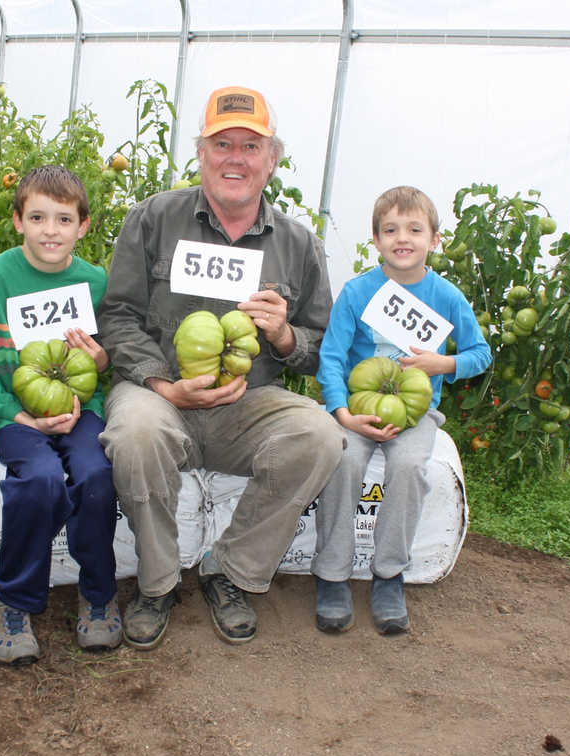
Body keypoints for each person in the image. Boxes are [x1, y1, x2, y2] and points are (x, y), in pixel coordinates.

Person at [96, 85, 345, 650]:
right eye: (222, 144)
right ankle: (157, 584)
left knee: (318, 435)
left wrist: (283, 334)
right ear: (201, 154)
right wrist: (164, 383)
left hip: (248, 405)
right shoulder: (154, 219)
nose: (236, 158)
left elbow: (320, 342)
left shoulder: (298, 244)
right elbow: (117, 316)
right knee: (135, 430)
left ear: (272, 159)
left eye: (250, 147)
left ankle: (229, 572)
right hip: (161, 395)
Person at [0, 165, 121, 665]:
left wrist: (99, 360)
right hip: (16, 416)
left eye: (64, 219)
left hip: (79, 408)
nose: (51, 230)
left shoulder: (94, 281)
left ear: (84, 226)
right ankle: (11, 598)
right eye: (39, 217)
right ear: (18, 220)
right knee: (41, 479)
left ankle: (98, 592)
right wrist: (15, 415)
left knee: (96, 474)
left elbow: (108, 358)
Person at [313, 186, 492, 635]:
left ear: (434, 239)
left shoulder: (447, 296)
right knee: (343, 460)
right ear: (376, 240)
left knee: (411, 467)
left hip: (417, 414)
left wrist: (443, 364)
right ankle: (331, 575)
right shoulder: (357, 292)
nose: (402, 238)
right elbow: (332, 358)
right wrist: (341, 413)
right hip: (357, 410)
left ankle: (389, 574)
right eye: (390, 229)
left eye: (415, 229)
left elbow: (480, 353)